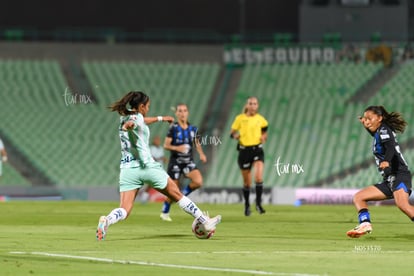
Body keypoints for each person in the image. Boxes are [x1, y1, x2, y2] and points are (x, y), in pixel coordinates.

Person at [96, 91, 221, 241]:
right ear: (141, 106)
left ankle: (107, 220)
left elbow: (140, 120)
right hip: (147, 167)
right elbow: (135, 122)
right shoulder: (134, 120)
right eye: (147, 106)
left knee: (125, 209)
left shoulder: (125, 117)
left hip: (128, 170)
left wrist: (161, 118)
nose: (148, 109)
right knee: (177, 195)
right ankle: (204, 221)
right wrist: (130, 126)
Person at [347, 105, 414, 238]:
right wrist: (366, 125)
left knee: (403, 205)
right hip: (389, 179)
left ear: (379, 118)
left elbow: (390, 147)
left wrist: (387, 161)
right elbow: (377, 136)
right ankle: (365, 224)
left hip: (399, 175)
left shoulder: (384, 130)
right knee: (359, 197)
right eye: (364, 119)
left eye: (369, 118)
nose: (366, 121)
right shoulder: (380, 132)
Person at [160, 103, 207, 222]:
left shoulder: (193, 129)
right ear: (176, 113)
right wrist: (178, 148)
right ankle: (165, 210)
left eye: (184, 111)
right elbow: (166, 145)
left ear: (188, 113)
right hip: (175, 162)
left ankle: (183, 195)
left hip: (188, 162)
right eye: (180, 111)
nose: (182, 113)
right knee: (172, 190)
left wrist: (201, 153)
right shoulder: (173, 128)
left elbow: (197, 143)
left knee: (198, 181)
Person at [230, 96, 268, 216]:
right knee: (247, 183)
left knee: (258, 177)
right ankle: (247, 205)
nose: (253, 106)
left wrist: (263, 137)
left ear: (257, 106)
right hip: (244, 152)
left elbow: (265, 130)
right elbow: (232, 133)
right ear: (247, 105)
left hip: (257, 150)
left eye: (255, 104)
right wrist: (235, 136)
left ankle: (258, 204)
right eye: (250, 103)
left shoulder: (260, 119)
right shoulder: (240, 118)